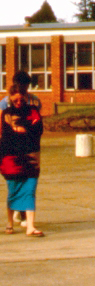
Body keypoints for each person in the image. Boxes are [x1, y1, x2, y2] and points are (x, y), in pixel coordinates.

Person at [1, 84, 44, 237]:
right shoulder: (6, 113)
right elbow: (6, 136)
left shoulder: (33, 111)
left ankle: (30, 226)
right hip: (11, 159)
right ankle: (10, 223)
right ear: (10, 99)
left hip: (31, 157)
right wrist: (24, 130)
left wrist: (20, 129)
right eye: (15, 100)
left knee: (30, 190)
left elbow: (38, 130)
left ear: (26, 96)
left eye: (21, 99)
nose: (19, 102)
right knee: (13, 191)